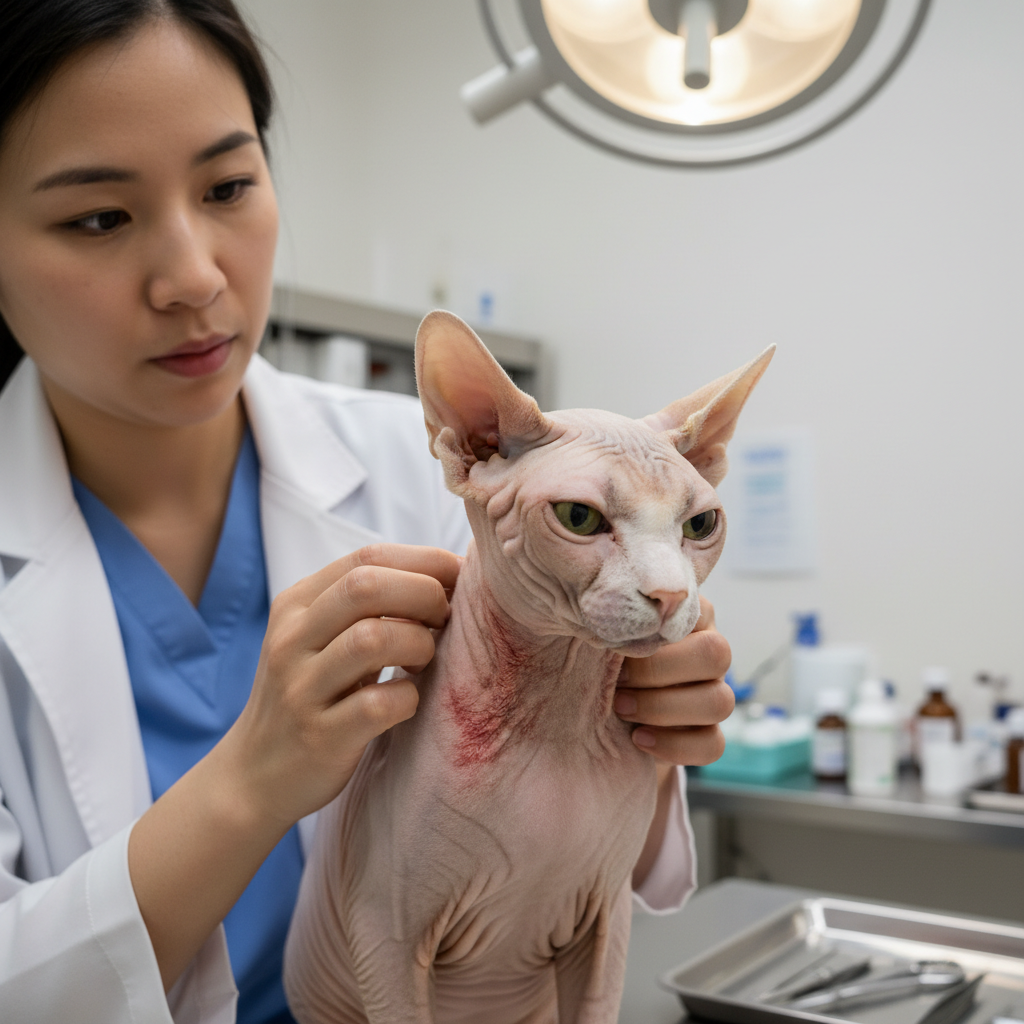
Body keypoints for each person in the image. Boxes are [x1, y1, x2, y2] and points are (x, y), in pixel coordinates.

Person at [0, 1, 735, 1021]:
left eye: (226, 186)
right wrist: (250, 780)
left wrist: (643, 725)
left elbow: (553, 886)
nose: (195, 276)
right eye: (97, 217)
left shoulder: (421, 465)